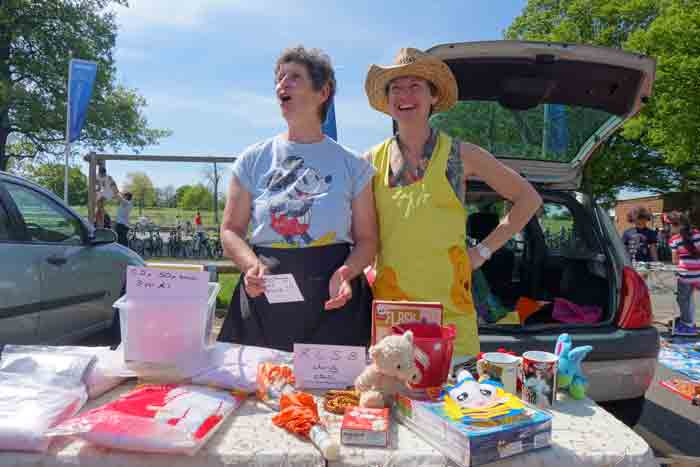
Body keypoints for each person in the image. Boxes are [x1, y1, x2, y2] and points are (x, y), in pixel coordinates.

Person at [363, 48, 541, 357]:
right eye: (396, 87)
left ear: (433, 96)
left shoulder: (462, 155)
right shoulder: (369, 162)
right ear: (388, 101)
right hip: (391, 313)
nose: (405, 95)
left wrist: (482, 251)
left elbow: (528, 198)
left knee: (450, 401)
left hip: (448, 313)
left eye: (415, 86)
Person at [217, 46, 378, 352]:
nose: (282, 85)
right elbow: (230, 230)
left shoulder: (353, 165)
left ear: (323, 91)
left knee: (334, 398)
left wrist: (347, 272)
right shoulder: (252, 159)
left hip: (334, 301)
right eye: (279, 78)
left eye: (294, 77)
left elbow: (368, 240)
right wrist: (251, 266)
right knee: (258, 395)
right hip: (264, 298)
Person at [667, 211, 699, 336]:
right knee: (689, 298)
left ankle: (687, 324)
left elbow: (675, 260)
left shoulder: (674, 239)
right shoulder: (697, 234)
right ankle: (689, 322)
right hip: (698, 273)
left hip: (685, 274)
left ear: (675, 225)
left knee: (683, 299)